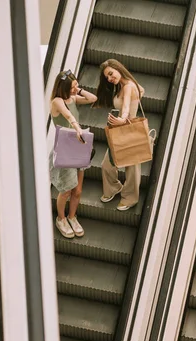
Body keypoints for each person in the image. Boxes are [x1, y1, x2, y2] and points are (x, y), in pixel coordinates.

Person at [49, 69, 97, 238]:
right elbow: (69, 116)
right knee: (66, 190)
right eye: (72, 87)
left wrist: (79, 90)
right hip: (65, 146)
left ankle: (72, 217)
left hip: (79, 144)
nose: (75, 89)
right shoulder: (57, 101)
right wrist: (77, 128)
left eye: (76, 85)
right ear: (63, 87)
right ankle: (61, 219)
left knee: (77, 190)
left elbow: (93, 99)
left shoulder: (73, 97)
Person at [93, 59, 145, 211]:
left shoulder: (128, 86)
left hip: (129, 129)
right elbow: (141, 90)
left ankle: (130, 198)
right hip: (121, 130)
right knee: (107, 164)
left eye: (110, 73)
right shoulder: (123, 84)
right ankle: (114, 188)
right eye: (107, 77)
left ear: (118, 68)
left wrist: (122, 119)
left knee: (132, 167)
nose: (109, 78)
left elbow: (127, 108)